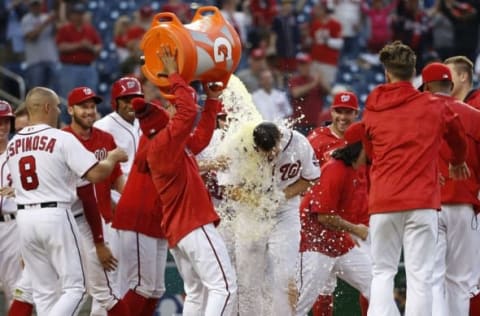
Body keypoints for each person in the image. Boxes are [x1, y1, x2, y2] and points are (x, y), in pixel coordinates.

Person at [362, 41, 469, 316]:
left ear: (387, 73)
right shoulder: (433, 105)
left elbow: (370, 149)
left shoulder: (372, 108)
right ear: (414, 74)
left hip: (383, 200)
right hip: (422, 201)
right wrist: (456, 162)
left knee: (381, 273)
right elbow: (457, 133)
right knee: (421, 276)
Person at [133, 45, 237, 315]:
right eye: (167, 110)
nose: (172, 112)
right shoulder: (164, 144)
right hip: (193, 223)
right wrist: (173, 75)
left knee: (197, 292)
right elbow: (188, 111)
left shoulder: (166, 145)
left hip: (179, 231)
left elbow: (200, 138)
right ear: (160, 124)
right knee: (224, 287)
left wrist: (212, 101)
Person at [6, 86, 127, 316]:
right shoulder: (61, 138)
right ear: (47, 107)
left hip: (25, 218)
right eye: (57, 107)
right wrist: (113, 157)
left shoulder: (14, 143)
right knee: (76, 289)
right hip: (55, 215)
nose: (59, 111)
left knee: (43, 292)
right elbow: (97, 175)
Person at [220, 121, 320, 316]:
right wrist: (257, 201)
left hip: (285, 212)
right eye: (263, 150)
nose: (269, 155)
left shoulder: (298, 143)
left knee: (285, 275)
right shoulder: (239, 144)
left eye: (272, 150)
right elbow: (229, 188)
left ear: (279, 140)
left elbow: (311, 178)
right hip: (250, 213)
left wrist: (281, 197)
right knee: (248, 279)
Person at [420, 62, 480, 316]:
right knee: (460, 282)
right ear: (451, 85)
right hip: (465, 205)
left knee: (433, 278)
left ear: (426, 87)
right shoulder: (475, 116)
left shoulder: (418, 116)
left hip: (429, 205)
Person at [63, 86, 129, 316]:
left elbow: (117, 180)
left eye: (92, 106)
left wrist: (134, 204)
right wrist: (98, 243)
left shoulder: (105, 138)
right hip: (72, 224)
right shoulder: (62, 139)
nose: (89, 111)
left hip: (103, 222)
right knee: (85, 291)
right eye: (83, 107)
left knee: (105, 292)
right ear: (70, 109)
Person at [296, 122, 371, 316]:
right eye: (372, 142)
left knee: (377, 287)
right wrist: (356, 229)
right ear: (362, 145)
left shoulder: (356, 167)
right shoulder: (335, 169)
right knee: (301, 304)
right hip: (315, 242)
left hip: (338, 241)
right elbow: (324, 216)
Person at [55, 3, 102, 104]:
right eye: (76, 14)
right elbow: (61, 47)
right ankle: (65, 120)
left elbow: (99, 47)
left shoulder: (89, 29)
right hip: (70, 68)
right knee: (68, 98)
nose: (79, 16)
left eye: (81, 14)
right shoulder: (65, 29)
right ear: (71, 15)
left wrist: (91, 47)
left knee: (89, 98)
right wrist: (79, 45)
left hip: (88, 67)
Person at [0, 101, 22, 313]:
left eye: (6, 121)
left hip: (12, 225)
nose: (2, 126)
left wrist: (19, 192)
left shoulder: (19, 152)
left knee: (14, 287)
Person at [308, 91, 360, 165]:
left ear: (356, 113)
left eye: (348, 112)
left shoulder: (362, 139)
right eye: (339, 112)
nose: (343, 117)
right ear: (332, 111)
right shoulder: (316, 139)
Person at [288, 52, 330, 136]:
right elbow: (295, 93)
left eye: (305, 64)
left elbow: (328, 91)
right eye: (300, 64)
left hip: (316, 123)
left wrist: (321, 79)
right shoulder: (295, 80)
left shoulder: (315, 80)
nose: (302, 67)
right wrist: (313, 84)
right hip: (300, 124)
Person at [21, 0, 58, 91]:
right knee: (37, 92)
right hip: (35, 61)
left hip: (51, 59)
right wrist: (46, 23)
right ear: (30, 6)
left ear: (41, 6)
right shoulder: (26, 19)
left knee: (52, 92)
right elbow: (31, 37)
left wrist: (55, 19)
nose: (36, 7)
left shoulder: (47, 17)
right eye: (34, 5)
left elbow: (58, 33)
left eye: (38, 5)